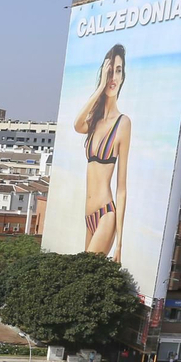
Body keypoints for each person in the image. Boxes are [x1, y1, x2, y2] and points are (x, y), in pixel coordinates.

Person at [73, 43, 131, 262]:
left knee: (83, 272)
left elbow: (122, 188)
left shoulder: (123, 123)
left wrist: (120, 244)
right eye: (110, 71)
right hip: (89, 215)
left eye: (118, 70)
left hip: (107, 214)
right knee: (87, 279)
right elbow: (77, 124)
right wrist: (99, 88)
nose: (113, 77)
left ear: (123, 76)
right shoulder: (94, 122)